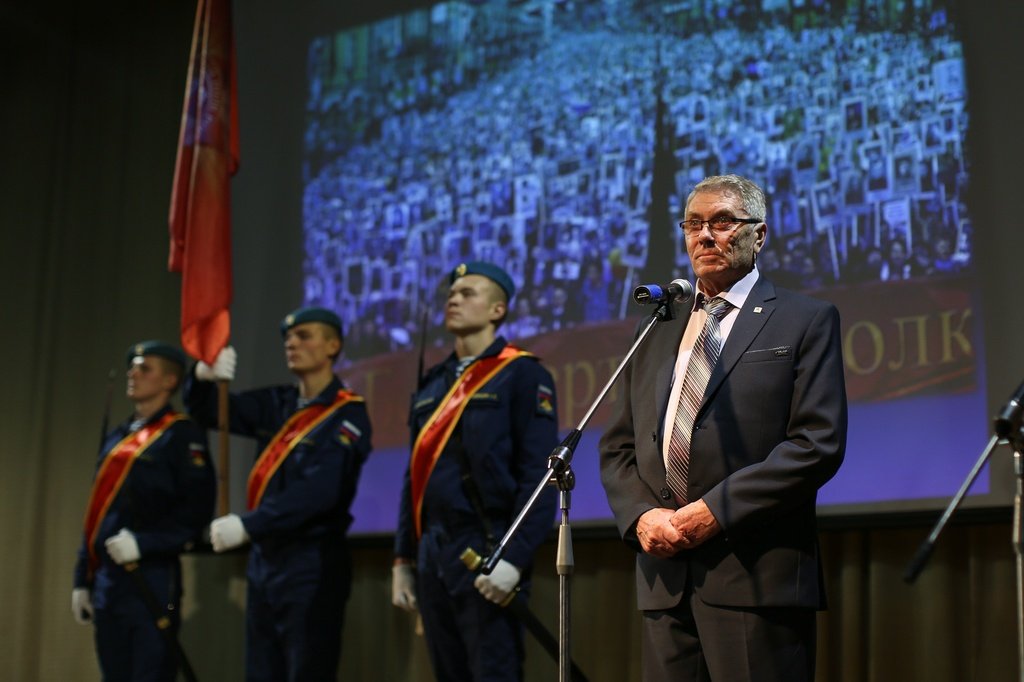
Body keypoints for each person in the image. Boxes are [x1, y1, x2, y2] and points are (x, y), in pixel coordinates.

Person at [599, 174, 847, 682]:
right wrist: (641, 516)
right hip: (665, 578)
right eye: (694, 224)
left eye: (722, 222)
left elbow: (816, 443)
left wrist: (716, 510)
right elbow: (618, 446)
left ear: (759, 235)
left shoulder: (804, 319)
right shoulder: (656, 327)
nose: (705, 236)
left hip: (756, 576)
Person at [184, 307, 372, 682]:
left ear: (332, 345)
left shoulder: (348, 415)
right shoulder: (277, 403)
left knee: (306, 672)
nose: (291, 343)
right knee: (261, 672)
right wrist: (203, 376)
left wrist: (249, 524)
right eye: (288, 337)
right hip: (265, 561)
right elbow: (210, 412)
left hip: (311, 562)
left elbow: (319, 492)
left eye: (304, 336)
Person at [391, 261, 559, 682]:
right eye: (451, 293)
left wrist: (514, 558)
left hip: (487, 544)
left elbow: (540, 479)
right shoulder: (432, 384)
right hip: (433, 553)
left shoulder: (523, 374)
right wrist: (402, 559)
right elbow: (413, 478)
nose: (454, 299)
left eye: (468, 293)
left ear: (497, 310)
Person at [72, 340, 215, 682]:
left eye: (144, 369)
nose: (132, 374)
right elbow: (97, 515)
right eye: (131, 368)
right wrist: (82, 580)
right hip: (109, 582)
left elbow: (196, 514)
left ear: (169, 381)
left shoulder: (182, 436)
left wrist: (145, 543)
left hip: (153, 578)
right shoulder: (117, 437)